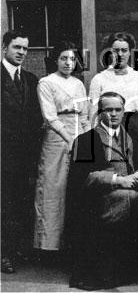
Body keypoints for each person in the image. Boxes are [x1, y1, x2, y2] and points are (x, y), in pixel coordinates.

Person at [66, 92, 138, 290]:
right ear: (100, 113)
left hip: (130, 188)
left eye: (118, 110)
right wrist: (118, 179)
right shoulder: (86, 140)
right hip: (104, 197)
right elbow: (84, 178)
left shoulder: (128, 138)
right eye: (108, 110)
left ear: (124, 112)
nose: (114, 114)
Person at [33, 41, 90, 255]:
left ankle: (72, 246)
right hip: (56, 138)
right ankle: (49, 246)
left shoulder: (78, 84)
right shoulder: (46, 83)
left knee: (76, 188)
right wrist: (69, 138)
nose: (68, 63)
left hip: (78, 135)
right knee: (53, 189)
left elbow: (85, 114)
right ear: (55, 60)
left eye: (72, 59)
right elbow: (50, 116)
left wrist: (86, 139)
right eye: (64, 58)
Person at [1, 30, 43, 273]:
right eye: (17, 47)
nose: (21, 53)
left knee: (21, 202)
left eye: (25, 49)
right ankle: (4, 254)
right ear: (4, 47)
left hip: (25, 156)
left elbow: (35, 118)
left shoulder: (30, 79)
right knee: (4, 204)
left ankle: (18, 251)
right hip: (3, 154)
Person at [88, 32, 138, 168]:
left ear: (130, 52)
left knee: (136, 165)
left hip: (134, 127)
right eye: (116, 50)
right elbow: (93, 112)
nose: (120, 54)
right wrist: (96, 137)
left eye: (124, 50)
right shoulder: (99, 79)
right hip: (109, 127)